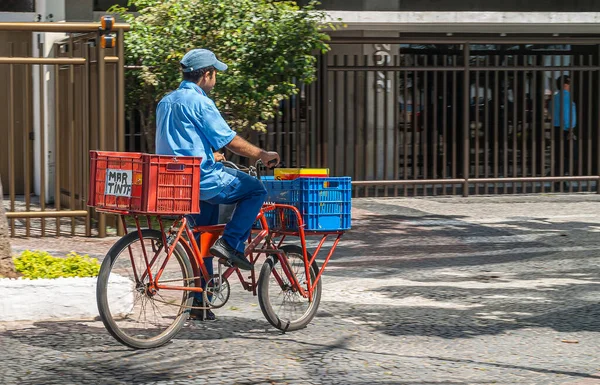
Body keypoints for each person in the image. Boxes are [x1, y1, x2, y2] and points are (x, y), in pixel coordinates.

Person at [155, 48, 280, 320]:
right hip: (204, 179)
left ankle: (200, 302)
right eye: (215, 75)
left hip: (178, 182)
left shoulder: (166, 101)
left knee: (203, 235)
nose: (216, 80)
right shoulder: (200, 102)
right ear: (206, 75)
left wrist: (208, 153)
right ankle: (232, 243)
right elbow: (230, 140)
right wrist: (262, 154)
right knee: (256, 190)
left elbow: (179, 141)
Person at [552, 75, 577, 179]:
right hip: (565, 129)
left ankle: (557, 177)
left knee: (560, 154)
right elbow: (566, 113)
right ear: (565, 85)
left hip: (556, 127)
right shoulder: (566, 96)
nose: (570, 86)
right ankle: (558, 177)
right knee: (570, 155)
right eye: (569, 84)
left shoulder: (555, 97)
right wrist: (570, 128)